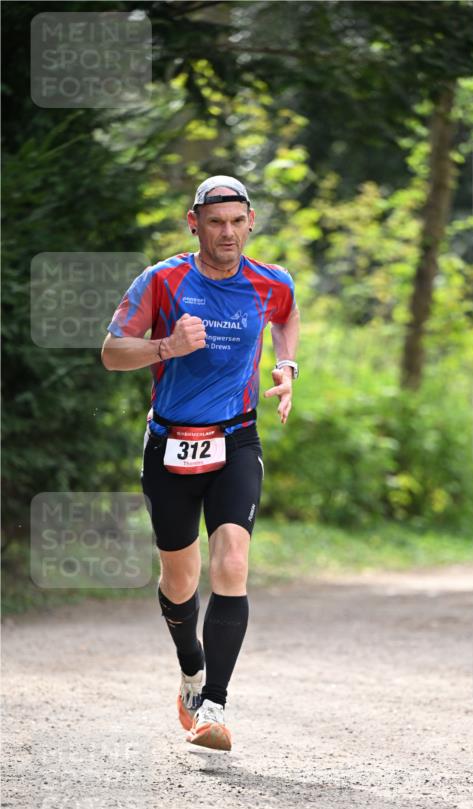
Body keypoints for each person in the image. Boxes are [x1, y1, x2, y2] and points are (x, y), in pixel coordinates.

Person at [101, 175, 299, 754]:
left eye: (237, 222)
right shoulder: (161, 281)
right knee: (180, 578)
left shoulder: (271, 282)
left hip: (236, 440)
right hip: (170, 443)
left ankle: (215, 704)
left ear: (251, 222)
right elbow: (112, 352)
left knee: (232, 562)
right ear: (195, 223)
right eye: (216, 222)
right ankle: (191, 670)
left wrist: (288, 368)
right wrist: (165, 347)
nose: (228, 233)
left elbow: (286, 318)